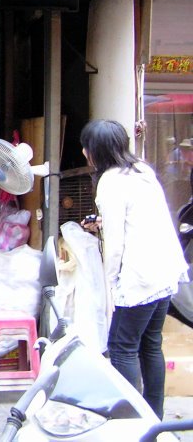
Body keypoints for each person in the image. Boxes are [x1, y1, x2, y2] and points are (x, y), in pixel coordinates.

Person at [80, 119, 188, 418]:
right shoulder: (142, 169)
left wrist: (111, 282)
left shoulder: (110, 182)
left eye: (85, 146)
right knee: (150, 345)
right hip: (165, 269)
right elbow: (139, 217)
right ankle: (154, 418)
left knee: (121, 346)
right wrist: (103, 223)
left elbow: (115, 244)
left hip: (140, 275)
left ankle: (131, 419)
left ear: (94, 151)